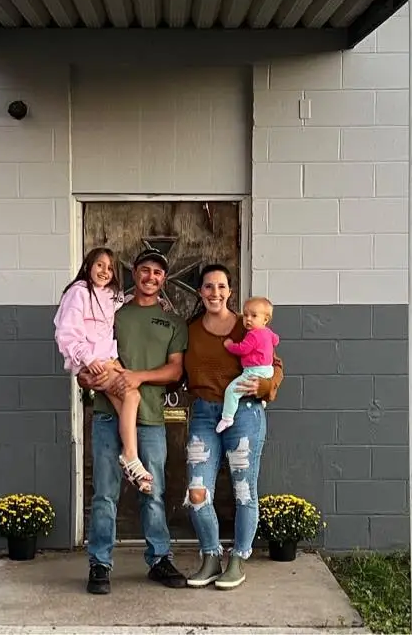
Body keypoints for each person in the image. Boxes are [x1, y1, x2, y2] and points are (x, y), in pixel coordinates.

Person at [76, 248, 189, 595]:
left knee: (152, 491)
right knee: (105, 494)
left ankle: (159, 559)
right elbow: (91, 353)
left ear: (164, 279)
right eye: (144, 270)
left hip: (151, 418)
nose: (150, 277)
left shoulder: (173, 322)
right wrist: (84, 377)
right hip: (110, 417)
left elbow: (175, 369)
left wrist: (137, 377)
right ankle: (99, 564)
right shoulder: (114, 313)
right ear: (135, 274)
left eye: (157, 272)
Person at [182, 264, 283, 591]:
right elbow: (176, 370)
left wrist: (266, 388)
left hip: (245, 414)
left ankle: (238, 559)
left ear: (230, 292)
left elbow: (275, 365)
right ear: (200, 292)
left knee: (243, 491)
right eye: (208, 287)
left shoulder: (247, 326)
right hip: (203, 415)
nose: (215, 292)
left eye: (221, 286)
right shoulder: (191, 330)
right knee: (197, 492)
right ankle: (211, 556)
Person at [52, 246, 153, 494]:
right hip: (96, 361)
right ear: (88, 265)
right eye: (100, 265)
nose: (105, 271)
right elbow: (66, 333)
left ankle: (132, 464)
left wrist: (144, 301)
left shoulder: (109, 294)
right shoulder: (78, 293)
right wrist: (86, 359)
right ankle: (130, 457)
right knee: (132, 394)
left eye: (109, 268)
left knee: (128, 403)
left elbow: (119, 306)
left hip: (109, 359)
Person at [217, 296, 280, 434]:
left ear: (265, 319)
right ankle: (262, 400)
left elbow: (242, 349)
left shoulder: (253, 335)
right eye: (245, 315)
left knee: (232, 391)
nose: (248, 319)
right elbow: (276, 340)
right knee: (255, 388)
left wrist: (229, 345)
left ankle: (227, 417)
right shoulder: (268, 332)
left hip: (253, 371)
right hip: (268, 370)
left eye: (254, 316)